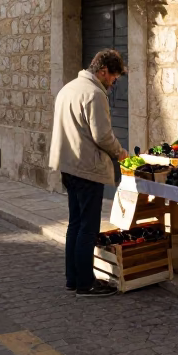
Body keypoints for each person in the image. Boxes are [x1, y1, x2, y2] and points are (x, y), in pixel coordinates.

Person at [49, 49, 128, 297]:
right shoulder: (94, 93)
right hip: (87, 168)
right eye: (113, 77)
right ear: (103, 71)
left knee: (75, 223)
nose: (114, 82)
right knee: (88, 228)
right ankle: (85, 283)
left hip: (68, 165)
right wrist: (121, 153)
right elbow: (102, 135)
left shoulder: (69, 88)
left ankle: (72, 279)